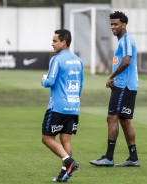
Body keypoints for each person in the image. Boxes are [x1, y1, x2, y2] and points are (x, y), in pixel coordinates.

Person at [89, 11, 140, 167]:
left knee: (111, 118)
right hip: (128, 85)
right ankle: (133, 158)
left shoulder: (125, 40)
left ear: (124, 25)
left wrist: (111, 77)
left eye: (116, 24)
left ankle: (109, 158)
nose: (113, 27)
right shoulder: (124, 40)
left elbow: (126, 61)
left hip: (123, 86)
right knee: (125, 121)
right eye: (111, 24)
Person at [41, 29, 84, 182]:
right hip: (73, 106)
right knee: (66, 140)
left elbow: (50, 82)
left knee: (46, 138)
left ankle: (68, 161)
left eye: (55, 41)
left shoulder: (56, 59)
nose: (52, 44)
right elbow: (80, 85)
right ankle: (64, 174)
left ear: (63, 42)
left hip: (58, 107)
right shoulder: (78, 61)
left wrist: (43, 80)